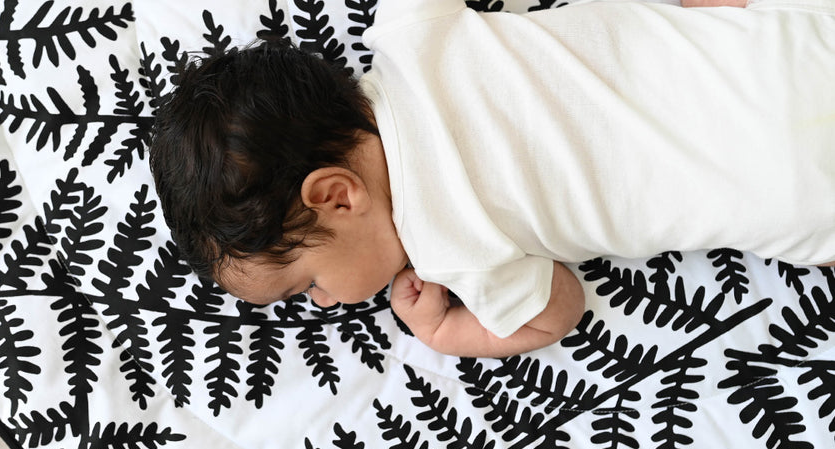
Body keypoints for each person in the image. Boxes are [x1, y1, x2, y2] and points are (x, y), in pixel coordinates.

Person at [149, 0, 835, 357]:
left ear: (337, 195)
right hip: (780, 45)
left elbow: (559, 308)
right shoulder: (411, 35)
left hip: (793, 197)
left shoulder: (453, 250)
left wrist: (446, 332)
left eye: (308, 284)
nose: (326, 304)